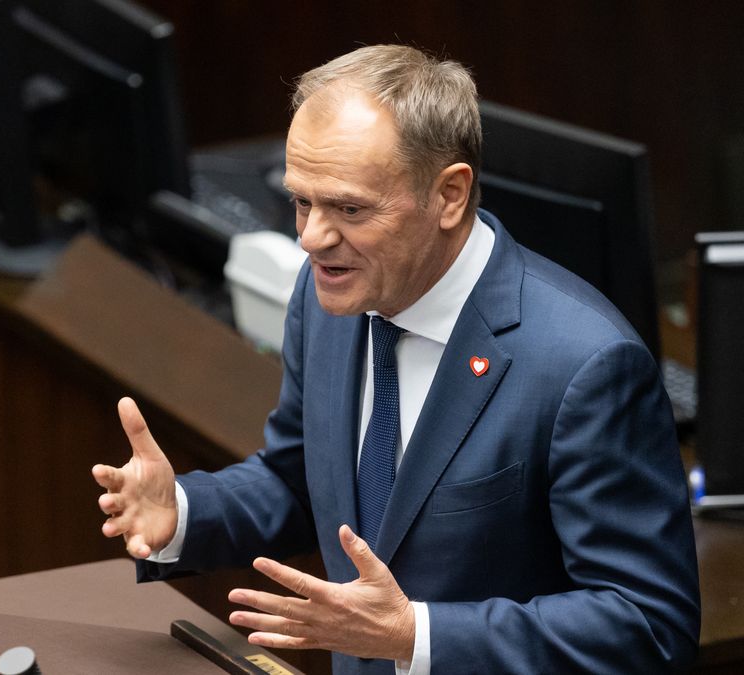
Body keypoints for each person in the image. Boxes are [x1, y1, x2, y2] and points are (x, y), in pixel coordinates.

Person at [91, 44, 700, 674]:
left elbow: (648, 626)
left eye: (349, 208)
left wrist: (416, 636)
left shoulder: (586, 365)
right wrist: (184, 513)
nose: (312, 237)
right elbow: (303, 480)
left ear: (450, 195)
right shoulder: (328, 291)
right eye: (302, 202)